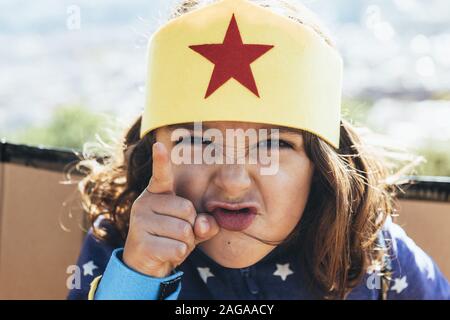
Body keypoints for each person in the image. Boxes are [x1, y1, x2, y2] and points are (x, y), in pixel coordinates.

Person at [67, 0, 450, 300]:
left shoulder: (375, 255)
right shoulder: (118, 243)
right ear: (151, 153)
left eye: (273, 144)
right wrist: (138, 276)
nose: (232, 181)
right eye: (199, 142)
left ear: (320, 167)